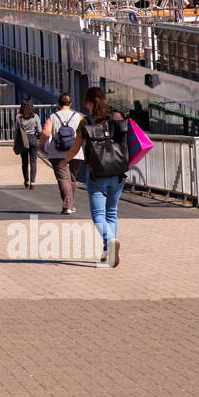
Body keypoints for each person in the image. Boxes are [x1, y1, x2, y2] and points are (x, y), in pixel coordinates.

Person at [63, 87, 130, 267]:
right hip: (118, 172)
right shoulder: (117, 117)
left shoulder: (86, 122)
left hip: (97, 174)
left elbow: (75, 148)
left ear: (90, 102)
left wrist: (65, 161)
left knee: (98, 215)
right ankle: (108, 252)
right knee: (112, 213)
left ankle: (109, 241)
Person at [40, 92, 82, 214]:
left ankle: (67, 205)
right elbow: (85, 132)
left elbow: (46, 133)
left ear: (59, 104)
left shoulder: (52, 117)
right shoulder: (78, 116)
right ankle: (70, 204)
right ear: (70, 104)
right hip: (75, 152)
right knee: (72, 179)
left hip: (57, 152)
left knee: (63, 179)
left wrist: (41, 145)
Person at [14, 100, 41, 190]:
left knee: (24, 162)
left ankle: (26, 180)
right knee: (33, 162)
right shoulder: (35, 117)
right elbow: (40, 130)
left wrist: (15, 142)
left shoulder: (18, 117)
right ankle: (32, 183)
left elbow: (16, 130)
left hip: (23, 140)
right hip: (33, 139)